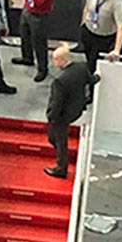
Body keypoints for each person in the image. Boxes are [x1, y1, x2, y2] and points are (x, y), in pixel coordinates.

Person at [44, 45, 98, 178]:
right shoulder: (81, 67)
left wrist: (51, 117)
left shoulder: (60, 81)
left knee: (60, 139)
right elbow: (91, 80)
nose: (53, 63)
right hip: (76, 110)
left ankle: (61, 168)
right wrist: (98, 76)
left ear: (61, 60)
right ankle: (63, 157)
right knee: (54, 137)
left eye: (55, 59)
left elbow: (57, 103)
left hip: (62, 115)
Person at [11, 0, 57, 81]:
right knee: (24, 35)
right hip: (28, 10)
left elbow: (39, 0)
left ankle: (43, 68)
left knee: (39, 42)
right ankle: (27, 58)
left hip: (39, 15)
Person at [79, 0, 122, 92]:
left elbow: (121, 26)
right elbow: (87, 6)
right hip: (89, 31)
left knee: (94, 64)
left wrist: (117, 49)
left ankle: (92, 91)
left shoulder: (116, 0)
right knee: (89, 60)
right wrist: (83, 22)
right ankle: (89, 84)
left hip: (103, 37)